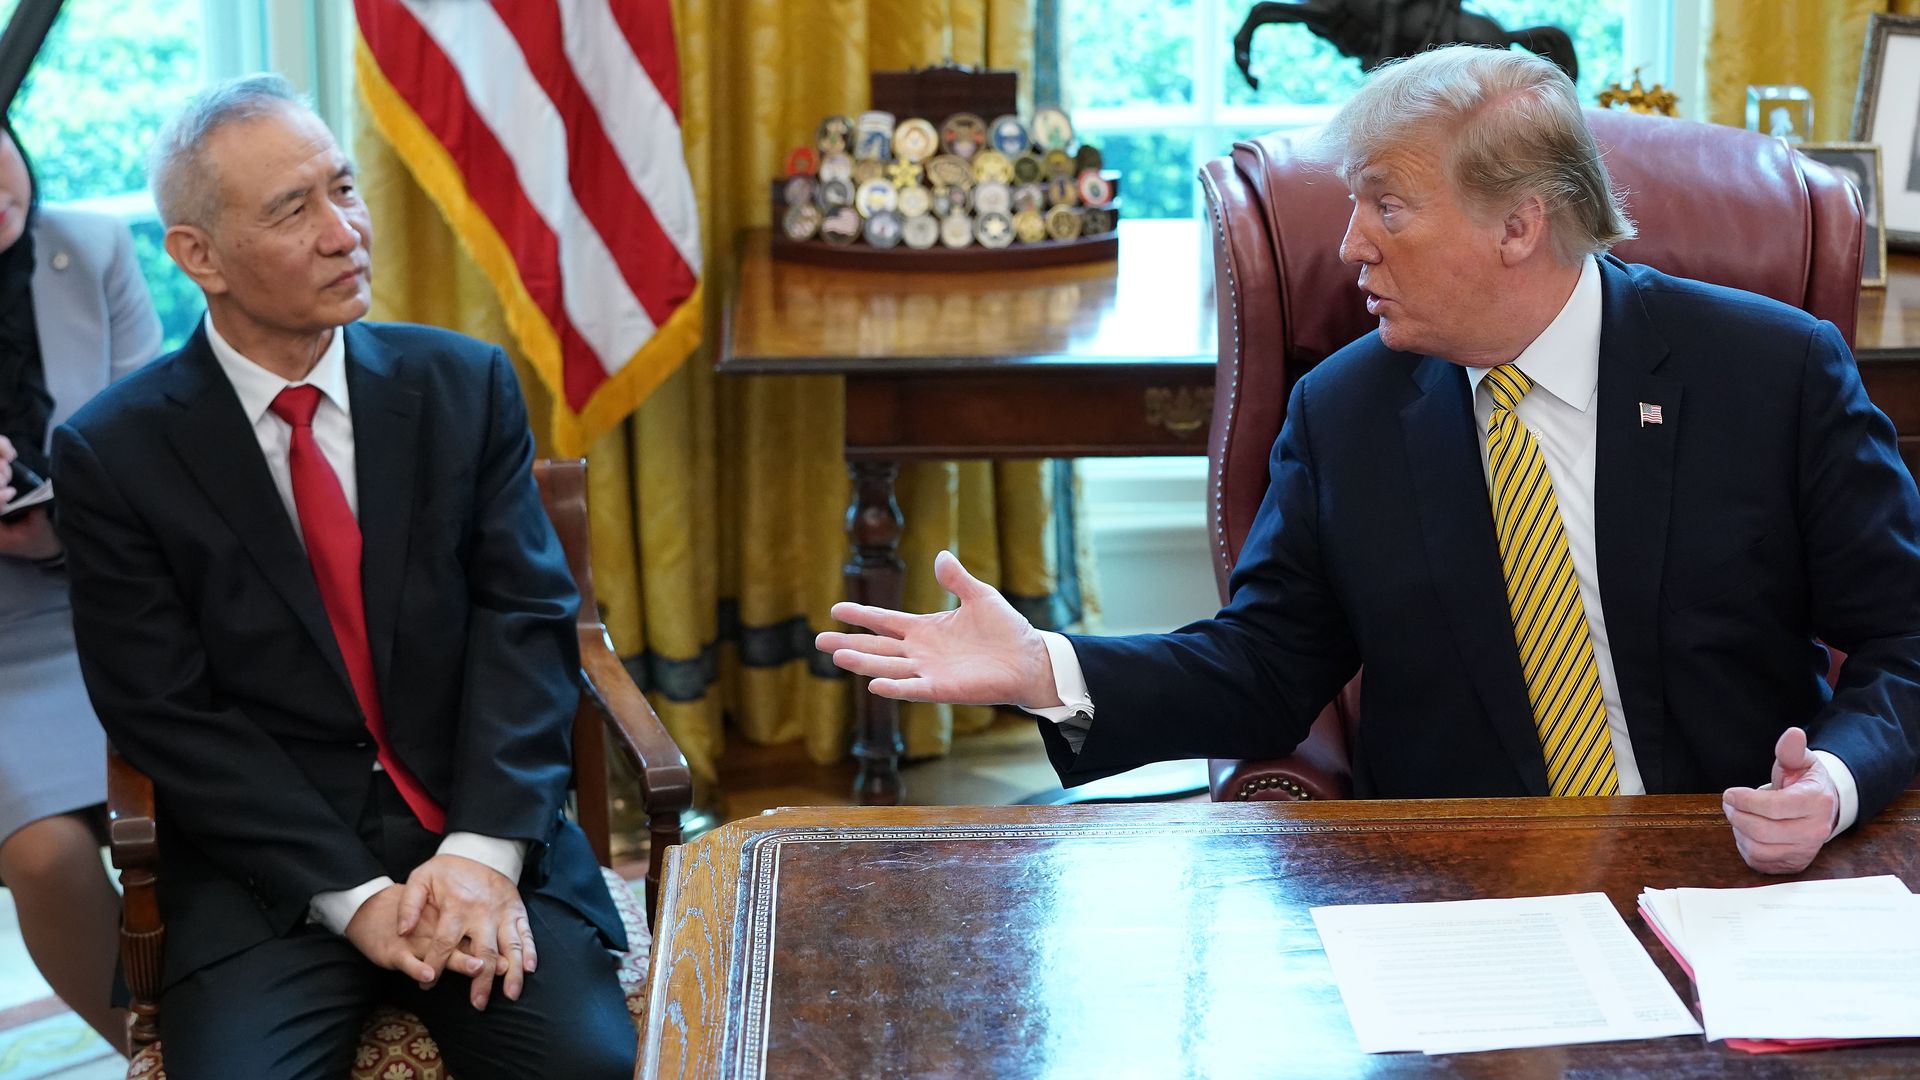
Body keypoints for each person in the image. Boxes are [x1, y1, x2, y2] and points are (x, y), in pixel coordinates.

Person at [819, 45, 1920, 876]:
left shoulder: (1767, 373)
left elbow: (1905, 639)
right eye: (1352, 205)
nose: (1350, 244)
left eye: (1387, 205)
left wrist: (1829, 780)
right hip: (1460, 895)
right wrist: (1048, 671)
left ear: (1519, 225)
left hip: (1735, 874)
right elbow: (1265, 668)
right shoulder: (1345, 413)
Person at [50, 76, 634, 1079]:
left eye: (344, 188)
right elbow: (165, 710)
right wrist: (355, 898)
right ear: (197, 255)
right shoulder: (113, 454)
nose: (344, 232)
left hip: (478, 832)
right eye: (294, 209)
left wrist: (482, 854)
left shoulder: (464, 386)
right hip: (267, 873)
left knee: (581, 1065)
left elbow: (525, 623)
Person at [0, 118, 161, 1053]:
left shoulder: (91, 247)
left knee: (208, 800)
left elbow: (143, 448)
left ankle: (236, 1021)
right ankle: (153, 1055)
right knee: (45, 852)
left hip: (114, 597)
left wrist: (52, 533)